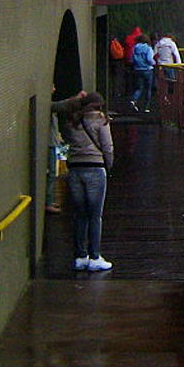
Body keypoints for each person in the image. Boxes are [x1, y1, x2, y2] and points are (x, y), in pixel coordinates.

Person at [51, 91, 114, 271]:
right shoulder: (101, 120)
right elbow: (107, 146)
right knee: (95, 215)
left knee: (80, 215)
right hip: (95, 168)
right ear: (99, 105)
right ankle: (95, 257)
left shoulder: (73, 121)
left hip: (75, 169)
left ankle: (80, 256)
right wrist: (108, 165)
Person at [130, 34, 156, 112]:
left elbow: (132, 59)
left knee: (139, 88)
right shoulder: (148, 48)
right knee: (148, 89)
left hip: (137, 69)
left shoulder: (135, 48)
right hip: (147, 70)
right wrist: (154, 63)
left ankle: (134, 100)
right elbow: (149, 59)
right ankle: (146, 107)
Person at [153, 32, 181, 103]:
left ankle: (159, 95)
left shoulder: (158, 43)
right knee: (171, 80)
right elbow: (176, 54)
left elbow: (154, 54)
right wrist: (179, 65)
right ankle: (169, 97)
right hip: (169, 64)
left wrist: (154, 63)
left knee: (161, 81)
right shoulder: (171, 43)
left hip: (160, 65)